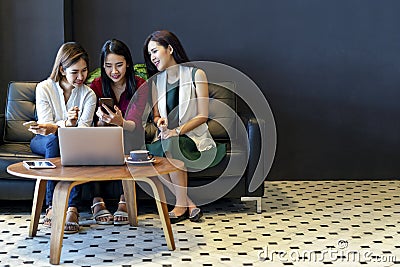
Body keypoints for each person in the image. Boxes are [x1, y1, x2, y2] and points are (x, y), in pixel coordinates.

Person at [143, 30, 226, 223]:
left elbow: (202, 115)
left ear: (170, 49)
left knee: (172, 145)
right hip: (165, 137)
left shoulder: (197, 74)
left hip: (192, 137)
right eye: (150, 54)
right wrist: (160, 122)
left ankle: (180, 206)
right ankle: (189, 204)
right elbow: (156, 115)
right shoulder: (156, 81)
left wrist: (176, 131)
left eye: (155, 51)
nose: (152, 57)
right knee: (159, 150)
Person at [29, 42, 97, 234]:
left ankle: (72, 208)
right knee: (54, 140)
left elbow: (83, 130)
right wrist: (67, 123)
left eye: (84, 71)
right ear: (61, 69)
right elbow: (45, 125)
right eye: (75, 72)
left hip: (72, 141)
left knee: (71, 144)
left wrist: (69, 127)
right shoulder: (44, 88)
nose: (81, 77)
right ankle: (52, 206)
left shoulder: (88, 94)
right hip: (43, 140)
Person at [89, 39, 148, 225]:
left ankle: (125, 198)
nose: (114, 71)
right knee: (93, 141)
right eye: (108, 66)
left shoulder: (140, 84)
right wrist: (101, 123)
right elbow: (90, 124)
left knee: (124, 134)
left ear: (128, 63)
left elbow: (135, 124)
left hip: (131, 134)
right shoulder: (96, 86)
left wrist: (120, 122)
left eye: (119, 65)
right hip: (102, 135)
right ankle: (97, 200)